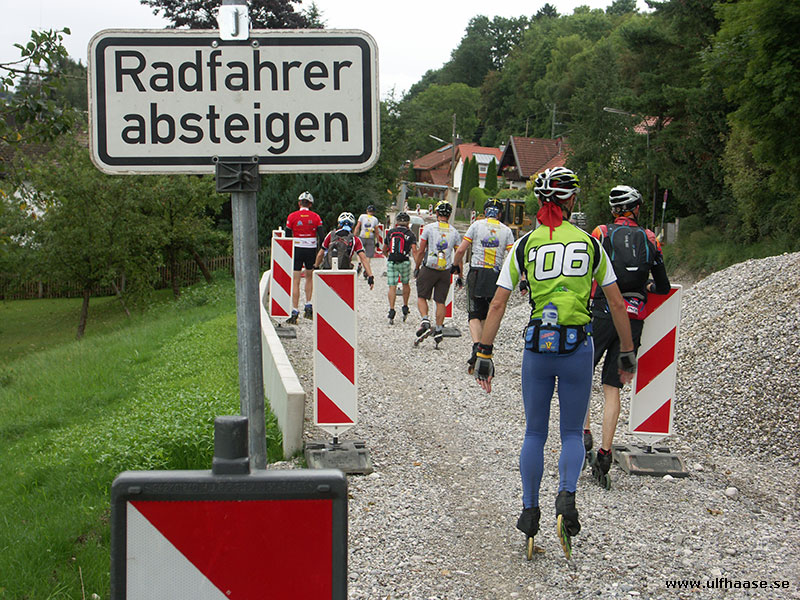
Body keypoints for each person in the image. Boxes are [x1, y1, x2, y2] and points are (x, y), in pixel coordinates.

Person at [471, 167, 637, 559]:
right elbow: (615, 302)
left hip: (537, 349)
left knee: (534, 434)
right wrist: (627, 350)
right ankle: (567, 496)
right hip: (578, 346)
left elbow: (498, 303)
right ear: (571, 201)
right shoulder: (590, 243)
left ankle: (530, 513)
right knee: (570, 433)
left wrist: (484, 353)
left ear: (540, 202)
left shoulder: (525, 244)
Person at [584, 185, 671, 488]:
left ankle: (584, 435)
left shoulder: (601, 233)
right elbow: (662, 285)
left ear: (614, 210)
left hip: (601, 314)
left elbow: (586, 271)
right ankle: (606, 454)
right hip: (633, 320)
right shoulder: (650, 238)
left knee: (583, 375)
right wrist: (645, 288)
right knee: (612, 388)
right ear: (635, 209)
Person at [452, 198, 515, 373]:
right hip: (495, 274)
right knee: (488, 312)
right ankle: (484, 350)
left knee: (474, 313)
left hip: (477, 273)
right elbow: (512, 256)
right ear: (500, 213)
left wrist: (455, 265)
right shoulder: (507, 230)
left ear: (485, 211)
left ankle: (476, 346)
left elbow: (461, 250)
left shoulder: (476, 225)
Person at [413, 200, 462, 347]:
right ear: (449, 215)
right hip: (445, 271)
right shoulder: (454, 232)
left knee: (422, 296)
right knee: (440, 301)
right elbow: (458, 254)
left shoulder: (428, 228)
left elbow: (421, 250)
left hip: (429, 268)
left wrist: (417, 266)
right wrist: (460, 274)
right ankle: (439, 329)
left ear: (436, 213)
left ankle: (425, 320)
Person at [285, 191, 324, 324]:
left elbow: (287, 236)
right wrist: (320, 251)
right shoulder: (316, 217)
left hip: (297, 249)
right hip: (311, 249)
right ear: (311, 204)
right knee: (309, 277)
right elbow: (322, 236)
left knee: (295, 280)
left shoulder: (292, 216)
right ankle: (308, 304)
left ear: (299, 203)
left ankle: (295, 310)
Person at [314, 212, 375, 290]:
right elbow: (363, 258)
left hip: (328, 269)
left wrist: (315, 267)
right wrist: (370, 276)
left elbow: (320, 253)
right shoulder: (354, 239)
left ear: (339, 224)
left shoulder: (331, 235)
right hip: (345, 271)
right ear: (352, 226)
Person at [383, 212, 418, 324]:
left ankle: (392, 310)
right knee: (405, 283)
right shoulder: (410, 234)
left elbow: (384, 249)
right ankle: (405, 306)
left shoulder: (391, 233)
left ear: (397, 222)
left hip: (392, 261)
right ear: (408, 223)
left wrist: (388, 256)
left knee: (392, 286)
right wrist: (417, 266)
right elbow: (414, 250)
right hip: (404, 262)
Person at [354, 205, 380, 275]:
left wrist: (354, 235)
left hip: (362, 236)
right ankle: (366, 269)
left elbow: (357, 226)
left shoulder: (362, 216)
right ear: (374, 212)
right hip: (370, 237)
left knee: (359, 251)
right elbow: (377, 231)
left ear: (367, 211)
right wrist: (377, 241)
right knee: (368, 255)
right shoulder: (375, 219)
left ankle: (359, 263)